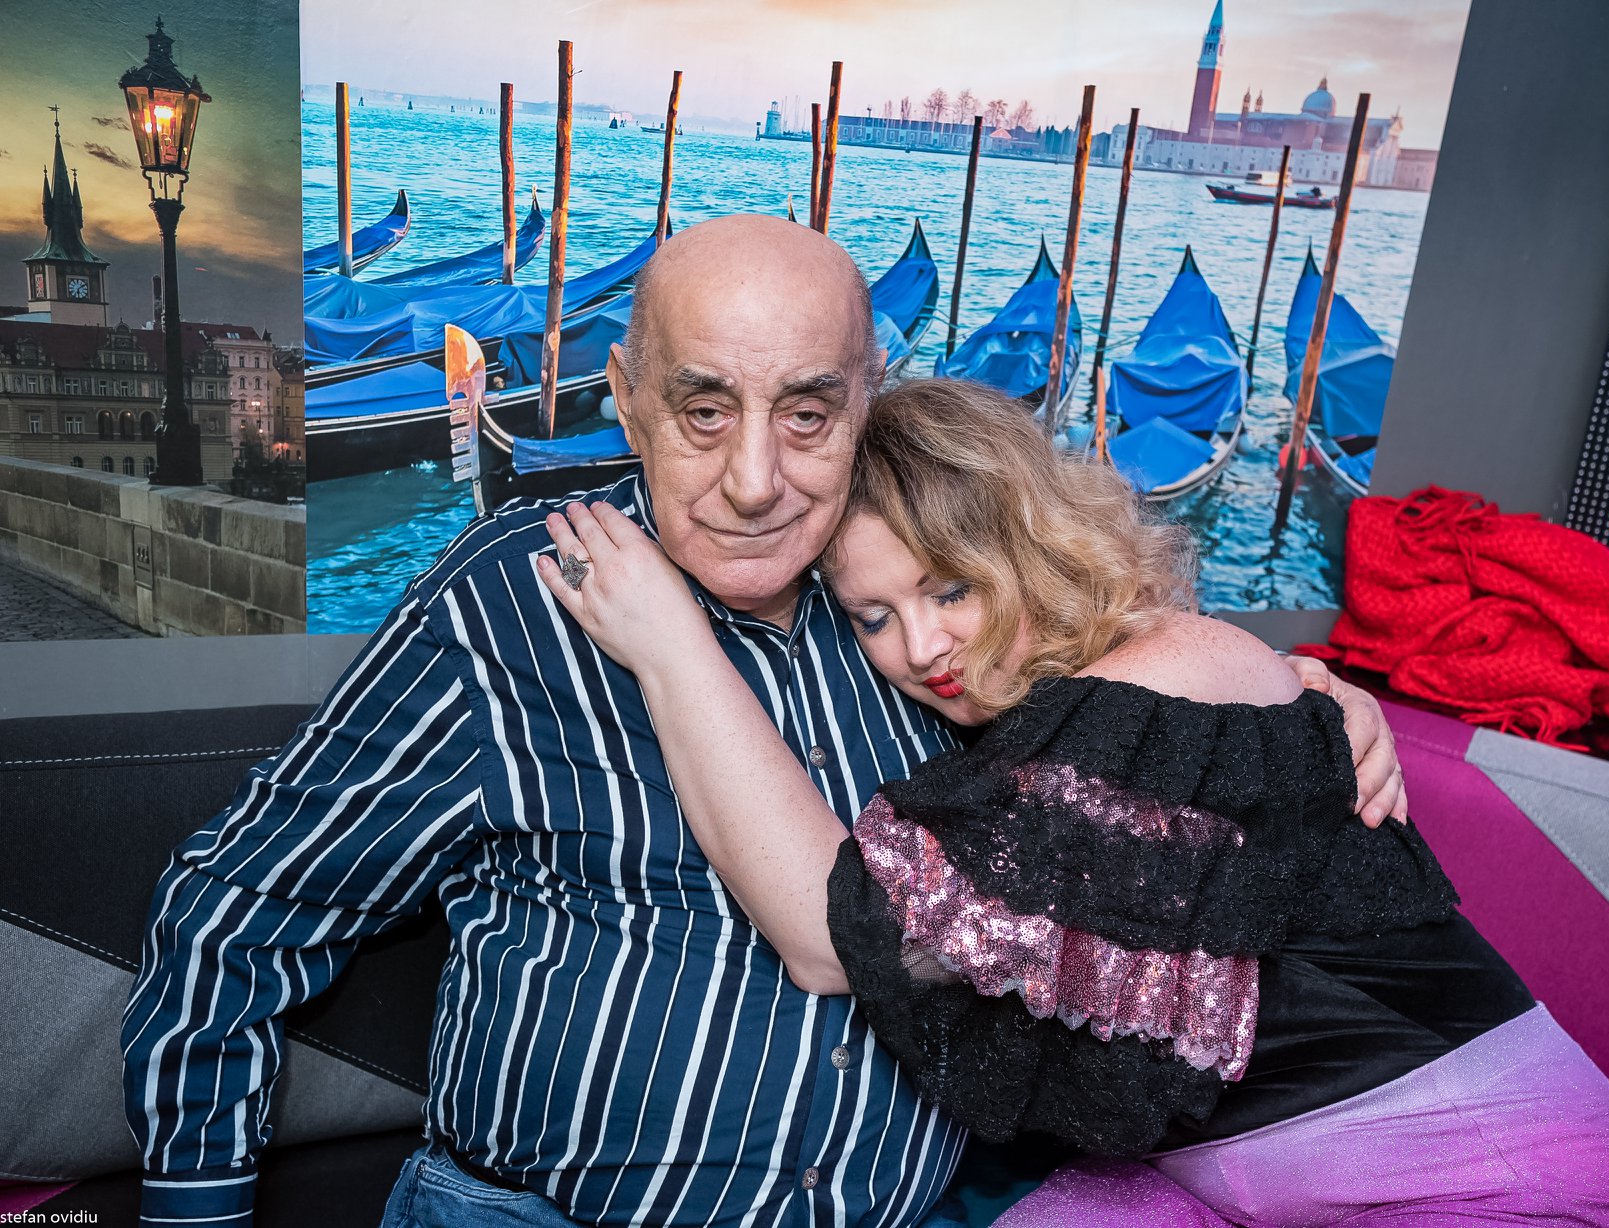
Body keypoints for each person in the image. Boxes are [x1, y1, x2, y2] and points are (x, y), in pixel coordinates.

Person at [120, 216, 1408, 1228]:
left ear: (865, 401)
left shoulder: (929, 617)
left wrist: (1305, 706)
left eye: (805, 414)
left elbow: (1131, 697)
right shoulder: (518, 596)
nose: (752, 482)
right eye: (702, 411)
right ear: (623, 396)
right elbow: (238, 910)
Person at [535, 377, 1609, 1225]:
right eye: (874, 616)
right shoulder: (1041, 714)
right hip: (1220, 1181)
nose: (921, 647)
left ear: (1032, 545)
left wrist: (671, 647)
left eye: (950, 588)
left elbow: (843, 940)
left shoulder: (1165, 676)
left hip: (1489, 1185)